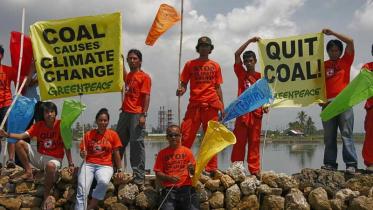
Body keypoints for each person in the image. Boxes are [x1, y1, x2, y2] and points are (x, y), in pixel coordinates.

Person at [0, 101, 74, 210]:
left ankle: (45, 196)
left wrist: (71, 163)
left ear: (55, 113)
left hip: (54, 159)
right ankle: (29, 171)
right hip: (39, 156)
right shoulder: (38, 125)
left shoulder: (61, 125)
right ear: (43, 114)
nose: (49, 114)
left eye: (52, 111)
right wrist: (7, 134)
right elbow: (22, 135)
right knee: (19, 143)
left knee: (50, 166)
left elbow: (67, 146)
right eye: (46, 112)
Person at [176, 36, 224, 174]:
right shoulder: (189, 64)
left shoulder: (215, 65)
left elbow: (218, 87)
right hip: (195, 105)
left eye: (206, 46)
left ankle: (211, 168)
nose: (204, 48)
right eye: (201, 46)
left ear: (210, 49)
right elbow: (184, 84)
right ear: (198, 48)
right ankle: (181, 165)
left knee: (210, 138)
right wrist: (181, 90)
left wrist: (222, 106)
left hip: (211, 105)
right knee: (185, 136)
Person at [321, 28, 358, 174]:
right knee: (329, 137)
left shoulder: (346, 61)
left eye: (336, 50)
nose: (334, 52)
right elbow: (316, 84)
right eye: (331, 50)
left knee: (346, 134)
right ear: (328, 51)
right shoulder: (323, 65)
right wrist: (319, 99)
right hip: (328, 104)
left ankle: (351, 164)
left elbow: (350, 41)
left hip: (344, 103)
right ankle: (330, 164)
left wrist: (333, 33)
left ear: (340, 51)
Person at [230, 37, 267, 176]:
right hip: (242, 112)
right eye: (246, 61)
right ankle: (237, 168)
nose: (248, 63)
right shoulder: (241, 74)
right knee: (239, 141)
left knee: (255, 141)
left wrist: (266, 105)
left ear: (255, 61)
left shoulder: (261, 77)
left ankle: (254, 169)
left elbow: (265, 94)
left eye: (251, 61)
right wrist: (250, 41)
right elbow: (236, 54)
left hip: (256, 113)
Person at [75, 108, 124, 210]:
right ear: (96, 121)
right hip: (88, 164)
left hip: (105, 165)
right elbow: (81, 153)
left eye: (105, 120)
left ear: (108, 121)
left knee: (103, 182)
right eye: (100, 120)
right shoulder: (88, 134)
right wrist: (82, 154)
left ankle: (92, 205)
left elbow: (116, 153)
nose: (103, 122)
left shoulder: (113, 135)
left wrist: (120, 169)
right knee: (82, 189)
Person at [116, 49, 151, 186]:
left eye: (134, 58)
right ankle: (115, 169)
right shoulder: (130, 75)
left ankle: (138, 176)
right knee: (118, 143)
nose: (131, 60)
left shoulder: (145, 77)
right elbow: (125, 77)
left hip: (137, 113)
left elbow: (147, 96)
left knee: (136, 144)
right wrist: (121, 63)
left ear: (140, 61)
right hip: (125, 113)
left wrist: (144, 114)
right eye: (129, 58)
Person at [153, 124, 199, 210]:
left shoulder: (188, 152)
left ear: (180, 136)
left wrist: (191, 169)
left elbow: (193, 173)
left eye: (176, 135)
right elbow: (158, 172)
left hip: (185, 188)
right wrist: (169, 178)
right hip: (169, 189)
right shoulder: (162, 153)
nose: (173, 137)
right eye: (171, 135)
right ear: (167, 137)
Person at [0, 45, 17, 167]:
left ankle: (11, 160)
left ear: (1, 56)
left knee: (9, 131)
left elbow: (20, 77)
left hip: (6, 104)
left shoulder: (8, 70)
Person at [362, 44, 373, 173]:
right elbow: (365, 84)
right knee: (370, 135)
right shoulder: (367, 67)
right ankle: (370, 163)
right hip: (372, 106)